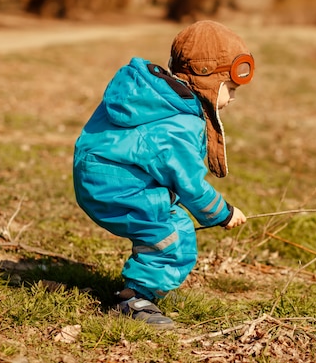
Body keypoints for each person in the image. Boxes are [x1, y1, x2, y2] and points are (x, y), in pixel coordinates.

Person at [72, 20, 255, 328]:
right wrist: (222, 213)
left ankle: (143, 286)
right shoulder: (180, 125)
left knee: (165, 219)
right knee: (172, 233)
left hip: (97, 173)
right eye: (231, 89)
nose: (233, 99)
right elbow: (191, 187)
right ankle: (134, 299)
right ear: (208, 80)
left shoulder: (152, 94)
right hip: (116, 184)